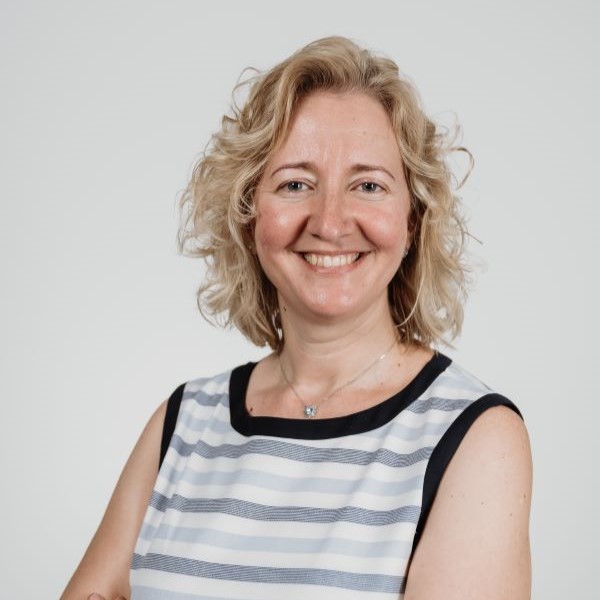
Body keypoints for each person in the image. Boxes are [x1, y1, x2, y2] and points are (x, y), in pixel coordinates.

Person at [61, 36, 532, 600]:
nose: (330, 222)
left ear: (412, 221)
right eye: (295, 184)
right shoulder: (185, 420)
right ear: (248, 214)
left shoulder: (474, 435)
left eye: (368, 185)